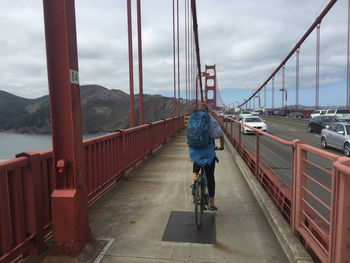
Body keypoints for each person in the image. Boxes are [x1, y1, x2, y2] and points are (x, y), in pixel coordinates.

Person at [188, 103, 224, 210]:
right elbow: (220, 135)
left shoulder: (192, 118)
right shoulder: (211, 120)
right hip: (208, 152)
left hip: (194, 150)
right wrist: (221, 146)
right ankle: (211, 203)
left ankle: (195, 185)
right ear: (207, 111)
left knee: (196, 166)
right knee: (210, 176)